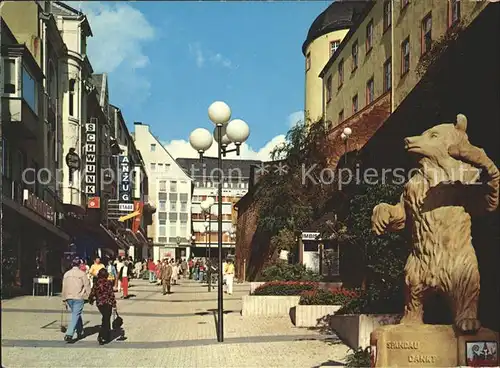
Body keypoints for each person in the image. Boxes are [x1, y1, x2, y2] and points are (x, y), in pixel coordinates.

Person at [61, 257, 91, 343]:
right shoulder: (82, 274)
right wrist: (90, 296)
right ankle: (69, 334)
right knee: (75, 314)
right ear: (79, 264)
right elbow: (87, 285)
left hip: (68, 297)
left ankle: (80, 331)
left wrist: (63, 299)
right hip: (78, 296)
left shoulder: (66, 274)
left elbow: (63, 287)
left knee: (76, 313)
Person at [88, 268, 117, 345]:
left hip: (100, 303)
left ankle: (105, 335)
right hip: (108, 303)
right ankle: (103, 335)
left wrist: (90, 299)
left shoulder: (96, 283)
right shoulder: (108, 283)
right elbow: (111, 294)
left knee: (105, 318)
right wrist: (114, 304)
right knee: (106, 319)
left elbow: (92, 292)